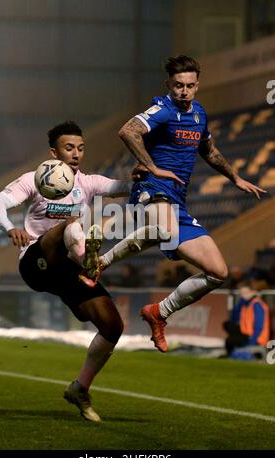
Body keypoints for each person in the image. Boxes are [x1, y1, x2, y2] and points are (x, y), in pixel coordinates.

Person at [82, 55, 266, 353]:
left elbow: (209, 149)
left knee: (218, 273)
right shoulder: (162, 109)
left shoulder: (199, 114)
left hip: (177, 202)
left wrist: (235, 177)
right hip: (152, 188)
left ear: (197, 85)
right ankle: (100, 263)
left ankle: (159, 313)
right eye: (178, 85)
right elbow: (128, 131)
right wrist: (152, 167)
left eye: (190, 86)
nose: (184, 91)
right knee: (162, 229)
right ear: (169, 84)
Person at [0, 120, 132, 422]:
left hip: (65, 270)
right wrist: (11, 227)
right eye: (69, 148)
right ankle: (89, 258)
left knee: (112, 327)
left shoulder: (87, 183)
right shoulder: (35, 179)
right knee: (69, 226)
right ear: (54, 152)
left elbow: (120, 187)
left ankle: (80, 387)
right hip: (36, 261)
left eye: (80, 148)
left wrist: (142, 178)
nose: (76, 153)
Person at [223, 283, 270, 357]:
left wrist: (253, 340)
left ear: (253, 292)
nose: (243, 295)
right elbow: (234, 319)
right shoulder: (245, 304)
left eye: (246, 293)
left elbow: (259, 325)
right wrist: (239, 304)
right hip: (246, 333)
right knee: (228, 325)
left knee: (230, 341)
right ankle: (231, 354)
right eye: (241, 293)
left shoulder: (257, 304)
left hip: (256, 337)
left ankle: (231, 355)